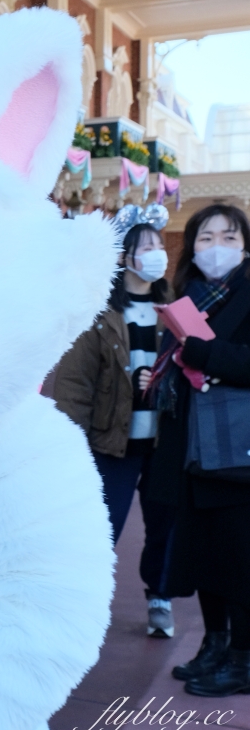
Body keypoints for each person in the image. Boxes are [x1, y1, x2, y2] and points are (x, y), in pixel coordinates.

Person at [51, 211, 175, 637]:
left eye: (160, 245)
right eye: (146, 247)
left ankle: (159, 596)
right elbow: (74, 382)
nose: (156, 254)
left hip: (162, 444)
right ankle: (80, 606)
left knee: (164, 526)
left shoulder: (174, 311)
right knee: (101, 529)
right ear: (125, 257)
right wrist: (71, 443)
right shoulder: (100, 311)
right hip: (111, 442)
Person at [148, 203, 250, 696]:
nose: (216, 248)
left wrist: (205, 354)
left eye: (228, 237)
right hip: (193, 447)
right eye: (205, 238)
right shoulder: (187, 298)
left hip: (236, 449)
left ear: (245, 245)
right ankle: (215, 644)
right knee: (207, 554)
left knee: (240, 556)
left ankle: (243, 658)